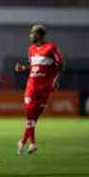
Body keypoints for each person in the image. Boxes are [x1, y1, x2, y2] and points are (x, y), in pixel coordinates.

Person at [15, 24, 65, 155]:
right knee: (30, 115)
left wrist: (56, 79)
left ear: (40, 35)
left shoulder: (51, 48)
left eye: (33, 33)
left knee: (34, 119)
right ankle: (32, 144)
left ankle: (22, 141)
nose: (30, 36)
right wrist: (24, 69)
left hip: (45, 89)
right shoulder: (31, 49)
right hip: (31, 87)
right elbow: (34, 67)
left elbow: (61, 64)